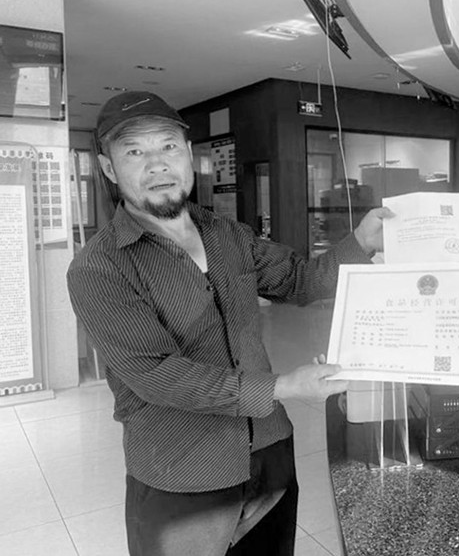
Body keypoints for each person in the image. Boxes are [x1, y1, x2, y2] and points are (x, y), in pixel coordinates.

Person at [66, 90, 391, 556]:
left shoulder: (229, 235)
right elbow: (158, 375)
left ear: (187, 155)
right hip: (183, 473)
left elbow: (301, 279)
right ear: (109, 168)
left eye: (168, 146)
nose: (157, 164)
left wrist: (361, 241)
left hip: (269, 453)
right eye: (134, 151)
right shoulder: (99, 267)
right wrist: (283, 387)